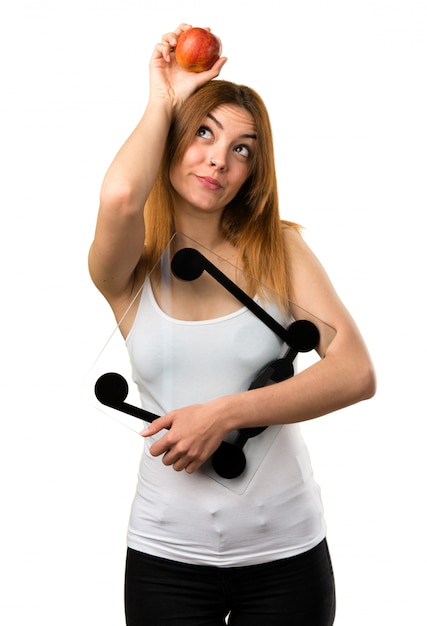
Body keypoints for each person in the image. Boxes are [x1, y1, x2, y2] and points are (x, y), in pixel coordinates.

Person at [89, 23, 376, 626]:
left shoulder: (281, 251)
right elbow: (120, 197)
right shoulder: (129, 267)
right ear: (171, 142)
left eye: (242, 149)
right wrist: (164, 100)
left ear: (252, 171)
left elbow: (355, 372)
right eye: (202, 133)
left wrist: (223, 414)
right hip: (167, 558)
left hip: (288, 558)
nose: (218, 158)